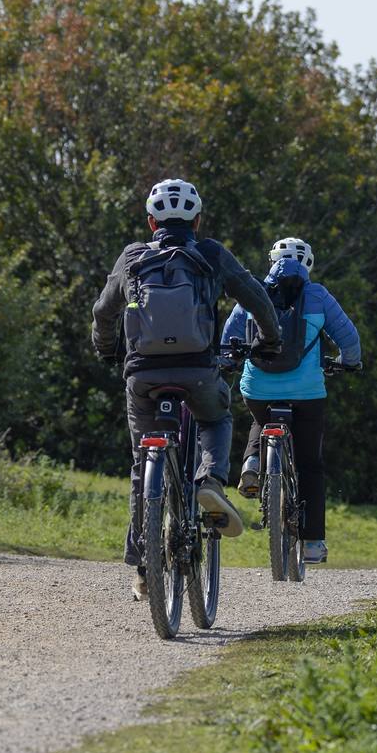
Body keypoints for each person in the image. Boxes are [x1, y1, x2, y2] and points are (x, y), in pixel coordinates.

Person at [93, 179, 282, 600]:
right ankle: (210, 479)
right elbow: (255, 296)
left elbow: (104, 311)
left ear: (150, 221)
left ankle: (143, 566)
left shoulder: (132, 257)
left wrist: (107, 350)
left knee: (143, 462)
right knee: (216, 416)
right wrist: (271, 338)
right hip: (198, 370)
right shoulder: (211, 254)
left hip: (142, 375)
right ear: (197, 221)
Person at [220, 237, 361, 565]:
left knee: (260, 419)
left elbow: (229, 337)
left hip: (257, 389)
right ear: (308, 265)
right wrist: (349, 361)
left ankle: (252, 463)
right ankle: (312, 543)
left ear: (271, 260)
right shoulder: (318, 295)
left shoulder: (253, 291)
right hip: (307, 394)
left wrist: (227, 362)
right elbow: (348, 338)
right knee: (311, 465)